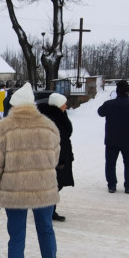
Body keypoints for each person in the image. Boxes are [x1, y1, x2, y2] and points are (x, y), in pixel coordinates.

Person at [0, 83, 61, 258]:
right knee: (46, 227)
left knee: (16, 238)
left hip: (14, 191)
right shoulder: (48, 126)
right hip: (43, 188)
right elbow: (54, 158)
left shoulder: (4, 127)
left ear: (14, 105)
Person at [97, 80, 129, 194]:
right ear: (128, 92)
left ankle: (111, 185)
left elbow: (100, 112)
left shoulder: (109, 104)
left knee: (110, 164)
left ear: (117, 91)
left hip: (111, 140)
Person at [38, 93, 74, 222]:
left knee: (56, 185)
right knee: (54, 185)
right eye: (64, 103)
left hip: (61, 157)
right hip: (55, 159)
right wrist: (59, 160)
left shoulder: (60, 115)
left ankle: (47, 209)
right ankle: (47, 210)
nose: (66, 106)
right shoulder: (52, 119)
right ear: (58, 105)